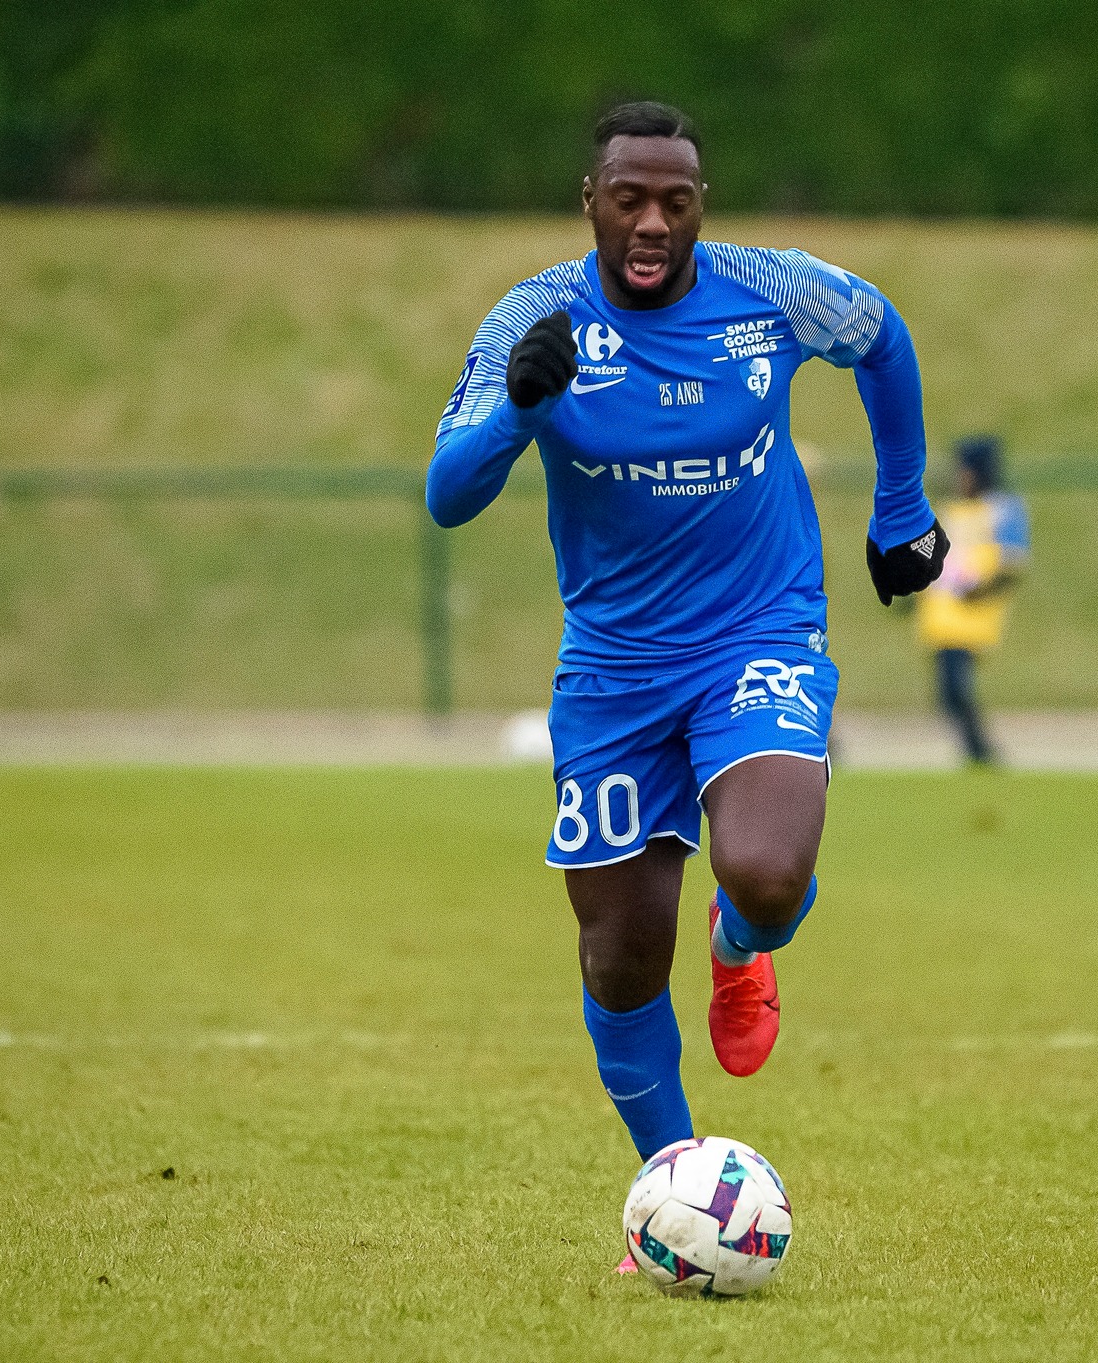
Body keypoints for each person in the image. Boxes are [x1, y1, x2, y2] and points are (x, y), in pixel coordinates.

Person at [424, 101, 948, 1265]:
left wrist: (901, 507)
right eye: (630, 199)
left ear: (700, 203)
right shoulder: (535, 318)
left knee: (764, 874)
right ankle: (672, 1193)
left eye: (677, 198)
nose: (654, 221)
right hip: (611, 672)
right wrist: (518, 404)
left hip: (758, 633)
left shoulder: (770, 290)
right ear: (591, 205)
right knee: (616, 951)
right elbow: (446, 494)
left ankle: (740, 942)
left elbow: (882, 338)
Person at [915, 436, 1030, 765]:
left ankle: (980, 750)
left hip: (971, 614)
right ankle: (977, 750)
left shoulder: (1001, 509)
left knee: (954, 688)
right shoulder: (951, 509)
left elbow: (1012, 564)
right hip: (942, 613)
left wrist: (980, 590)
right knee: (949, 691)